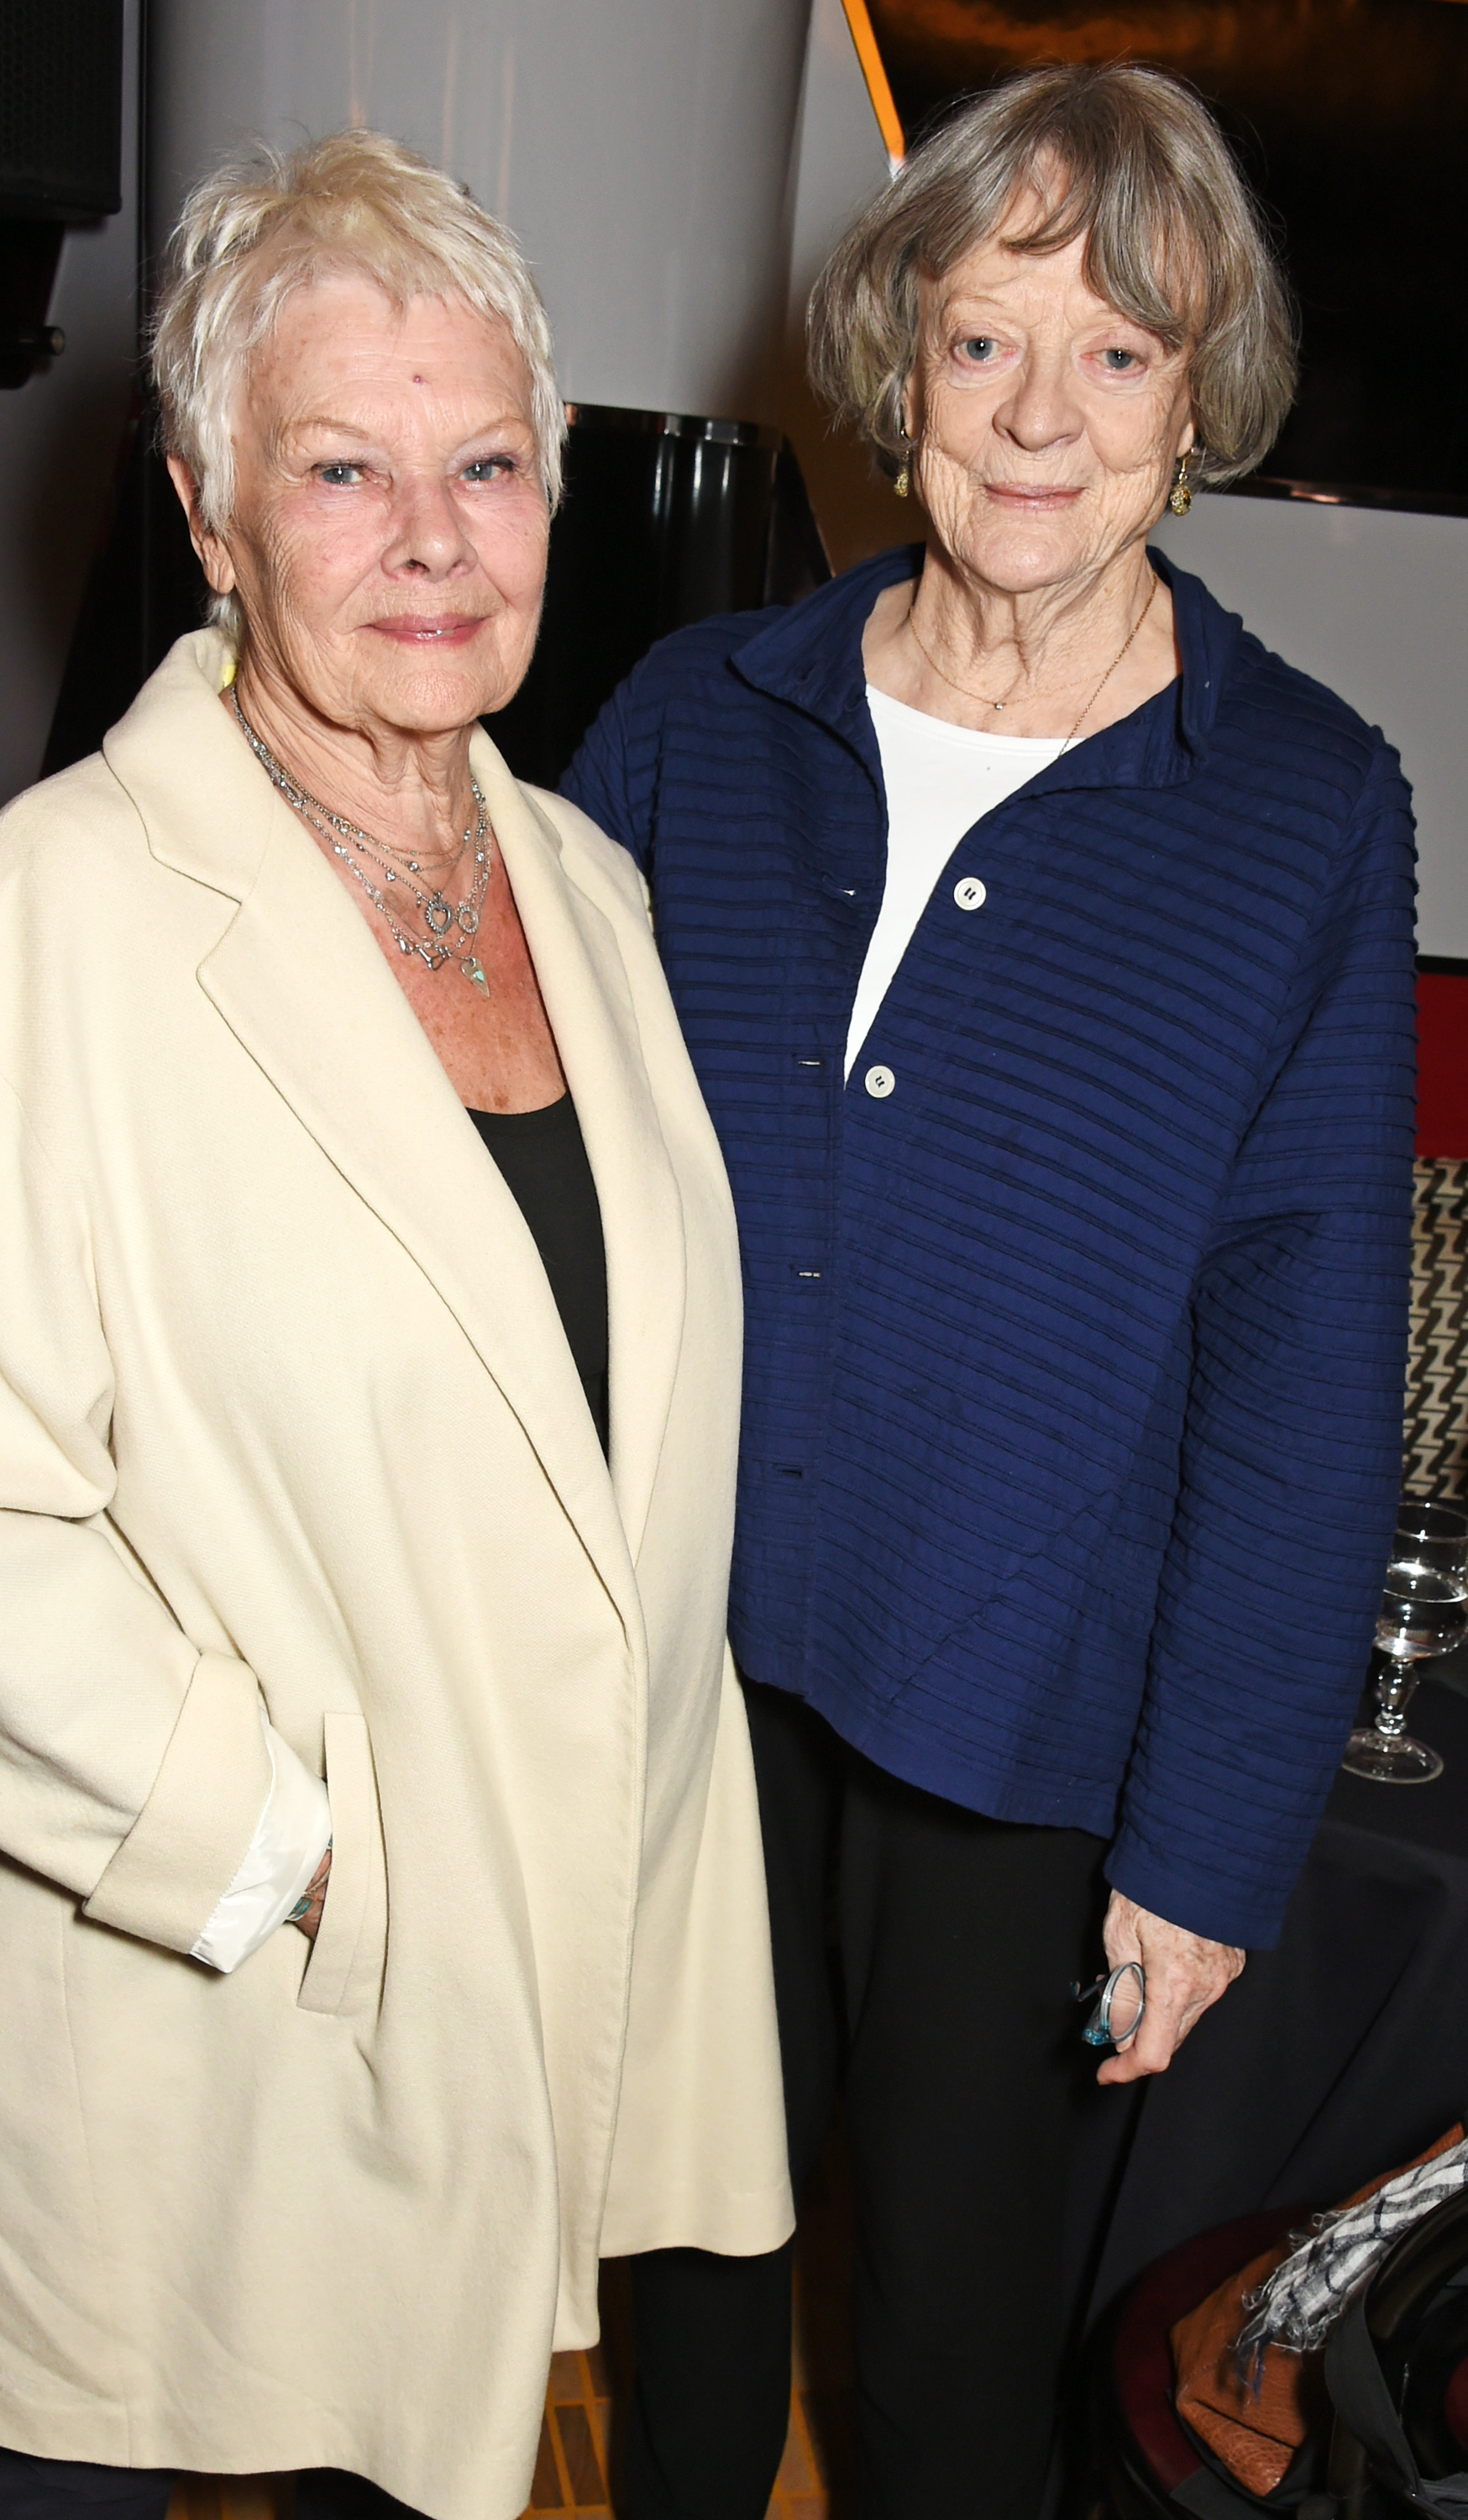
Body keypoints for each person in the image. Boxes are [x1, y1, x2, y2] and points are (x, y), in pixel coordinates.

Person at [0, 133, 794, 2520]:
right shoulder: (55, 920)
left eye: (483, 463)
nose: (432, 537)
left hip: (533, 1935)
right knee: (120, 2440)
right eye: (339, 472)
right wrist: (287, 1848)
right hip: (210, 1965)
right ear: (204, 511)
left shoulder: (580, 885)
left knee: (418, 2444)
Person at [562, 61, 1414, 2520]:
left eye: (1118, 352)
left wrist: (1211, 1838)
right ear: (894, 366)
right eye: (981, 343)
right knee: (679, 2286)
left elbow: (1297, 1359)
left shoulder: (1300, 811)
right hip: (668, 1681)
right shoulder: (690, 723)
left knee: (947, 2366)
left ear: (1196, 399)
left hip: (1015, 1728)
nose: (1040, 415)